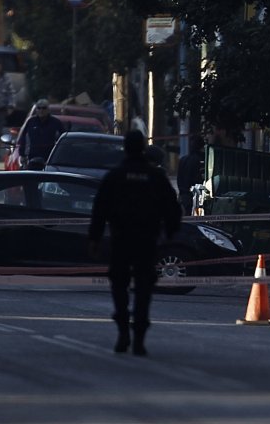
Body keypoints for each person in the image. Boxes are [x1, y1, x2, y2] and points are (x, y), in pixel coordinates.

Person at [88, 130, 182, 356]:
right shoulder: (155, 177)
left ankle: (123, 330)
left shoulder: (115, 176)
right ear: (142, 148)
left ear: (125, 148)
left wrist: (94, 238)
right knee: (143, 288)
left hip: (121, 239)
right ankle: (138, 337)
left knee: (119, 285)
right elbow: (172, 207)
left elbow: (99, 210)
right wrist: (170, 232)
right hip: (146, 240)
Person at [17, 99, 64, 166]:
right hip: (32, 158)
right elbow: (23, 138)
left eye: (44, 108)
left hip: (49, 159)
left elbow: (62, 140)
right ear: (36, 109)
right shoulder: (31, 121)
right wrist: (22, 154)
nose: (41, 110)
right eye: (39, 108)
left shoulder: (56, 123)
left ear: (48, 110)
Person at [177, 135, 205, 215]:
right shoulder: (201, 161)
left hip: (183, 196)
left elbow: (179, 178)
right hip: (195, 197)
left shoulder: (183, 159)